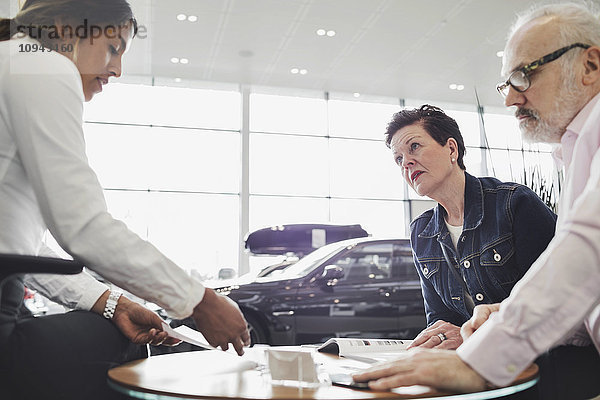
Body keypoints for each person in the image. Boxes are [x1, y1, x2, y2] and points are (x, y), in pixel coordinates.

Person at [0, 1, 249, 399]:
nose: (116, 69)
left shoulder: (13, 60)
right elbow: (82, 226)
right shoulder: (41, 64)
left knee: (110, 327)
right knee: (125, 347)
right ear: (66, 30)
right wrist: (200, 301)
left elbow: (18, 251)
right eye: (113, 48)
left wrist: (110, 301)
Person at [353, 3, 600, 400]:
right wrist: (496, 317)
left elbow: (581, 262)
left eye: (524, 75)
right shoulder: (577, 150)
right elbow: (579, 299)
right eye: (399, 159)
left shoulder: (514, 202)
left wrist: (478, 361)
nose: (511, 99)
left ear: (590, 65)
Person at [384, 105, 556, 351]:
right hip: (471, 361)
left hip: (535, 360)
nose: (407, 163)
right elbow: (440, 319)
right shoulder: (421, 232)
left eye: (414, 147)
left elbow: (552, 301)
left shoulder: (515, 203)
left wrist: (470, 336)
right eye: (398, 159)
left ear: (451, 149)